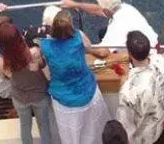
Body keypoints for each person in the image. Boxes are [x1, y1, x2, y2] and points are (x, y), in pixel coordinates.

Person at [40, 10, 111, 144]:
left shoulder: (45, 46)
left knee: (72, 137)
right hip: (88, 92)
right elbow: (91, 49)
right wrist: (102, 52)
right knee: (95, 130)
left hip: (64, 100)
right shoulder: (79, 36)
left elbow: (46, 72)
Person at [0, 23, 51, 144]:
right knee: (44, 127)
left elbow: (5, 77)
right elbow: (45, 69)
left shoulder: (1, 61)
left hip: (19, 98)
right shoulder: (34, 53)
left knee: (25, 126)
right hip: (39, 96)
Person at [116, 31, 164, 144]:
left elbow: (124, 122)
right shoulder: (160, 63)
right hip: (158, 128)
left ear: (129, 53)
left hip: (142, 139)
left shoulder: (128, 90)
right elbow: (160, 57)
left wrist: (123, 82)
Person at [61, 0, 158, 49]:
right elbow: (98, 9)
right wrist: (75, 4)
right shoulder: (125, 7)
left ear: (106, 11)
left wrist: (82, 40)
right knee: (102, 32)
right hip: (149, 43)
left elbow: (102, 51)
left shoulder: (115, 29)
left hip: (143, 53)